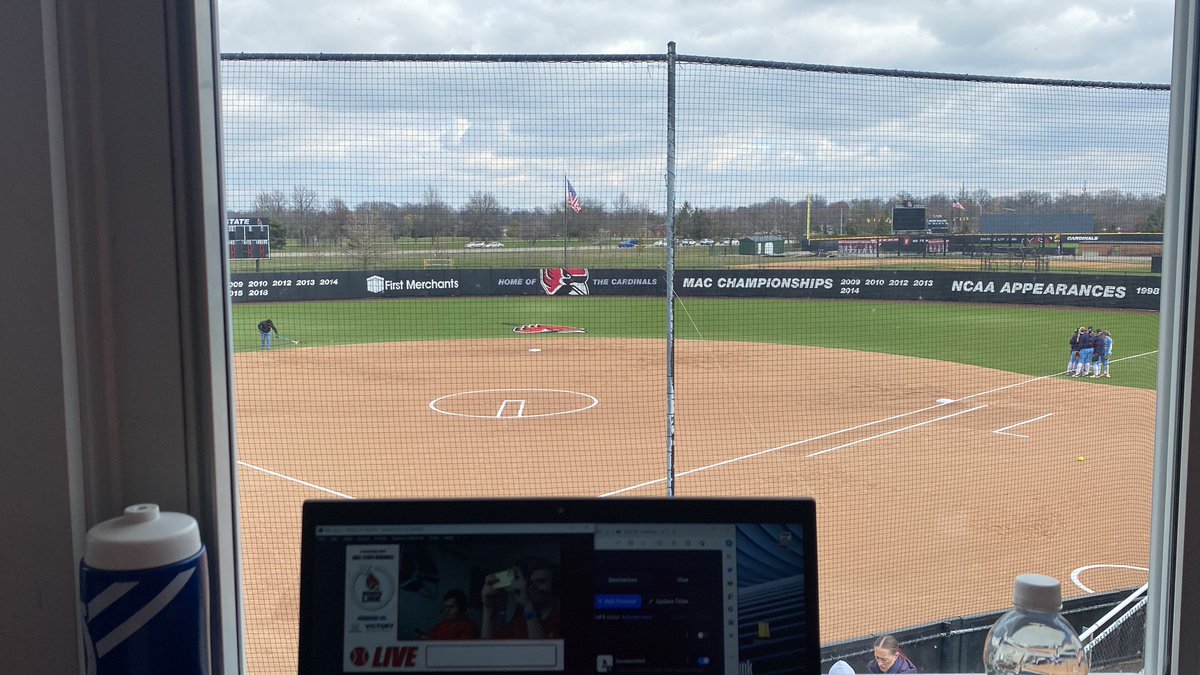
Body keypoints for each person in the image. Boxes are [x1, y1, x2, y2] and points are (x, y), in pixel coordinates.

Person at [480, 556, 561, 639]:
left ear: (555, 585)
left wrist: (528, 605)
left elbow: (543, 650)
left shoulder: (559, 620)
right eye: (530, 582)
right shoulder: (518, 623)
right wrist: (488, 608)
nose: (533, 586)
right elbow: (488, 648)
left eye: (541, 581)